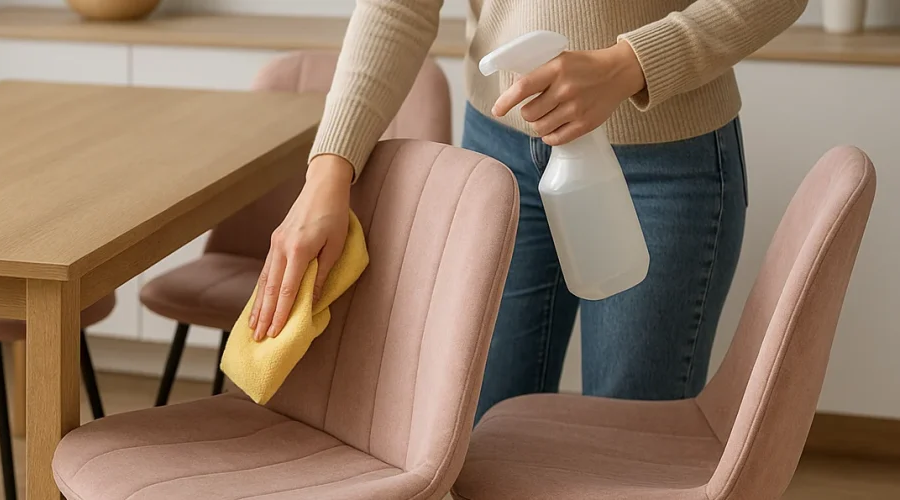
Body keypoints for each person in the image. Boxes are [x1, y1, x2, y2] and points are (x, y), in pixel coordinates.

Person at [248, 0, 808, 420]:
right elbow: (399, 6)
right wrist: (328, 169)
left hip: (660, 163)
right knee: (479, 427)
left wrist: (627, 64)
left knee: (627, 442)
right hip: (501, 154)